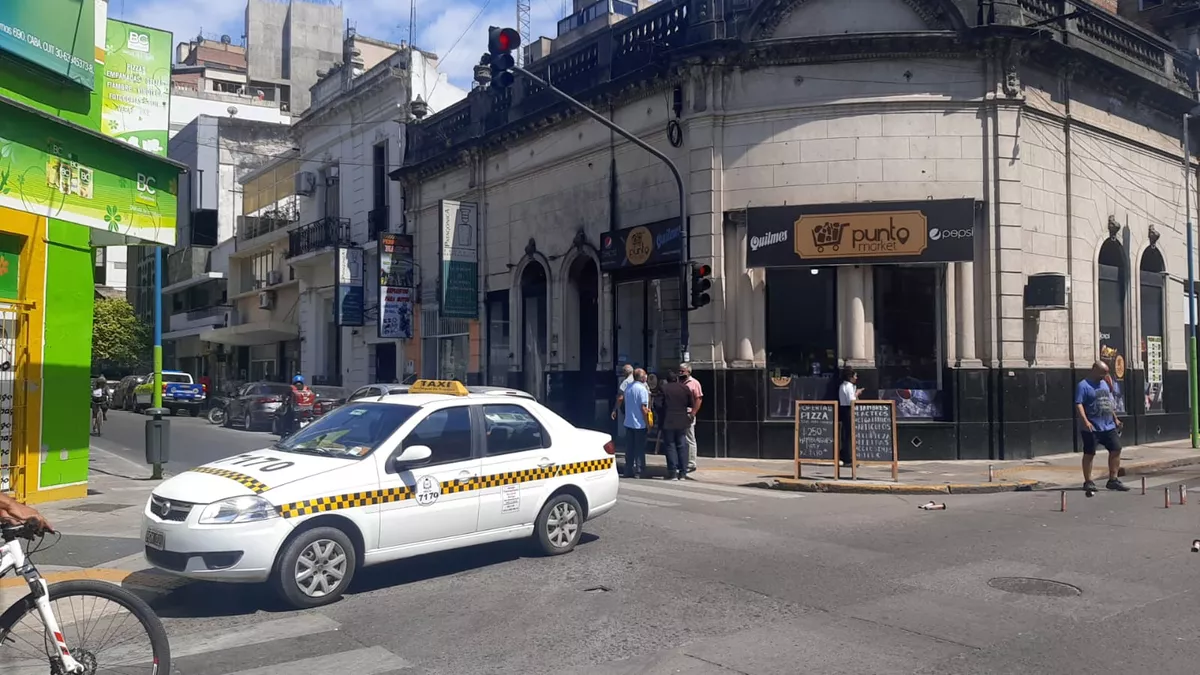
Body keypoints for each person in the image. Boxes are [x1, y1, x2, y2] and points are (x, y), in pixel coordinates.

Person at [1075, 360, 1128, 492]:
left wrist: (1115, 419)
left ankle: (1113, 479)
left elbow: (1107, 403)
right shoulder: (1083, 385)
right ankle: (1088, 481)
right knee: (1089, 453)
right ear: (1094, 370)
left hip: (1108, 425)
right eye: (1102, 373)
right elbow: (1079, 404)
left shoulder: (1104, 383)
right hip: (1092, 427)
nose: (1104, 376)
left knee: (1116, 449)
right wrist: (1085, 421)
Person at [658, 371, 696, 480]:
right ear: (677, 379)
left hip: (668, 421)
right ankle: (683, 472)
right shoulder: (685, 388)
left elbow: (658, 405)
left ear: (667, 379)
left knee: (670, 446)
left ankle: (672, 472)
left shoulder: (664, 388)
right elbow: (691, 404)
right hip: (682, 421)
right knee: (682, 445)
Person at [622, 369, 651, 478]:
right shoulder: (642, 389)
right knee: (639, 448)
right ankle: (639, 470)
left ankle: (628, 469)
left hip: (629, 422)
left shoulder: (628, 387)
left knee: (629, 448)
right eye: (645, 375)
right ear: (642, 377)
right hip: (639, 423)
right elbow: (643, 408)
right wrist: (647, 424)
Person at [679, 363, 703, 474]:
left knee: (690, 438)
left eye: (682, 371)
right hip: (679, 413)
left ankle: (691, 462)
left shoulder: (694, 383)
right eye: (679, 371)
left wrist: (693, 413)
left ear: (688, 372)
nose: (680, 373)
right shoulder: (680, 382)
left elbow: (698, 399)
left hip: (688, 413)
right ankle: (683, 461)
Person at [837, 367, 863, 466]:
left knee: (846, 434)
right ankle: (848, 458)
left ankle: (844, 455)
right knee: (849, 434)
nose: (856, 378)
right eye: (855, 376)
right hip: (848, 410)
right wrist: (857, 393)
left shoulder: (843, 385)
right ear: (850, 377)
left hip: (844, 409)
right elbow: (852, 401)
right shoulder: (848, 386)